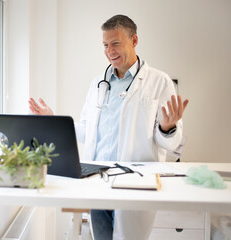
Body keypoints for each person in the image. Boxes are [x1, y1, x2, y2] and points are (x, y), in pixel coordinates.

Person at [29, 15, 189, 240]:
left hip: (134, 182)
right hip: (97, 180)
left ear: (134, 41)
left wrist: (167, 127)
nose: (109, 51)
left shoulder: (159, 81)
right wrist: (53, 120)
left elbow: (170, 143)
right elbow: (86, 131)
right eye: (105, 45)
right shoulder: (98, 83)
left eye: (115, 43)